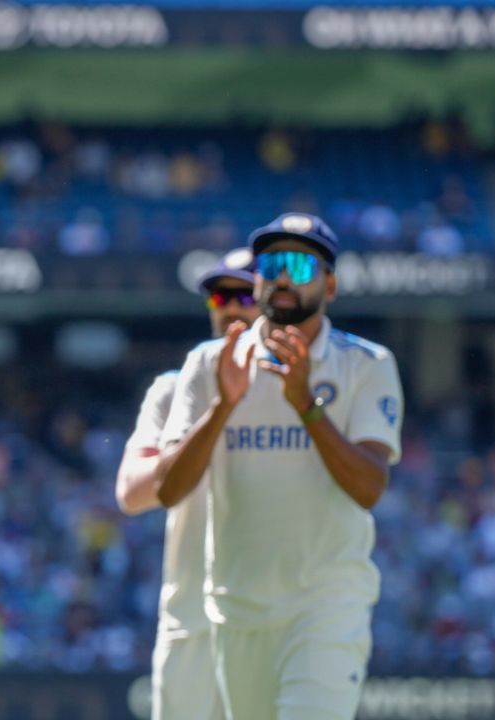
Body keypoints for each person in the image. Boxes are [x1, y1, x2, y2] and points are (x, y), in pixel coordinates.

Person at [156, 213, 403, 720]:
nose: (283, 277)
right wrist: (222, 406)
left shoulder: (366, 364)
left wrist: (307, 407)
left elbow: (369, 488)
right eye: (271, 264)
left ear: (330, 284)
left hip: (325, 608)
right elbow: (168, 490)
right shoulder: (210, 364)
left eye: (299, 263)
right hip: (235, 608)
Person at [116, 247, 259, 720]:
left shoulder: (299, 389)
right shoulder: (173, 389)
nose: (232, 307)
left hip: (273, 619)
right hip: (192, 622)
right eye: (221, 296)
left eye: (245, 294)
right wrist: (206, 422)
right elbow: (131, 494)